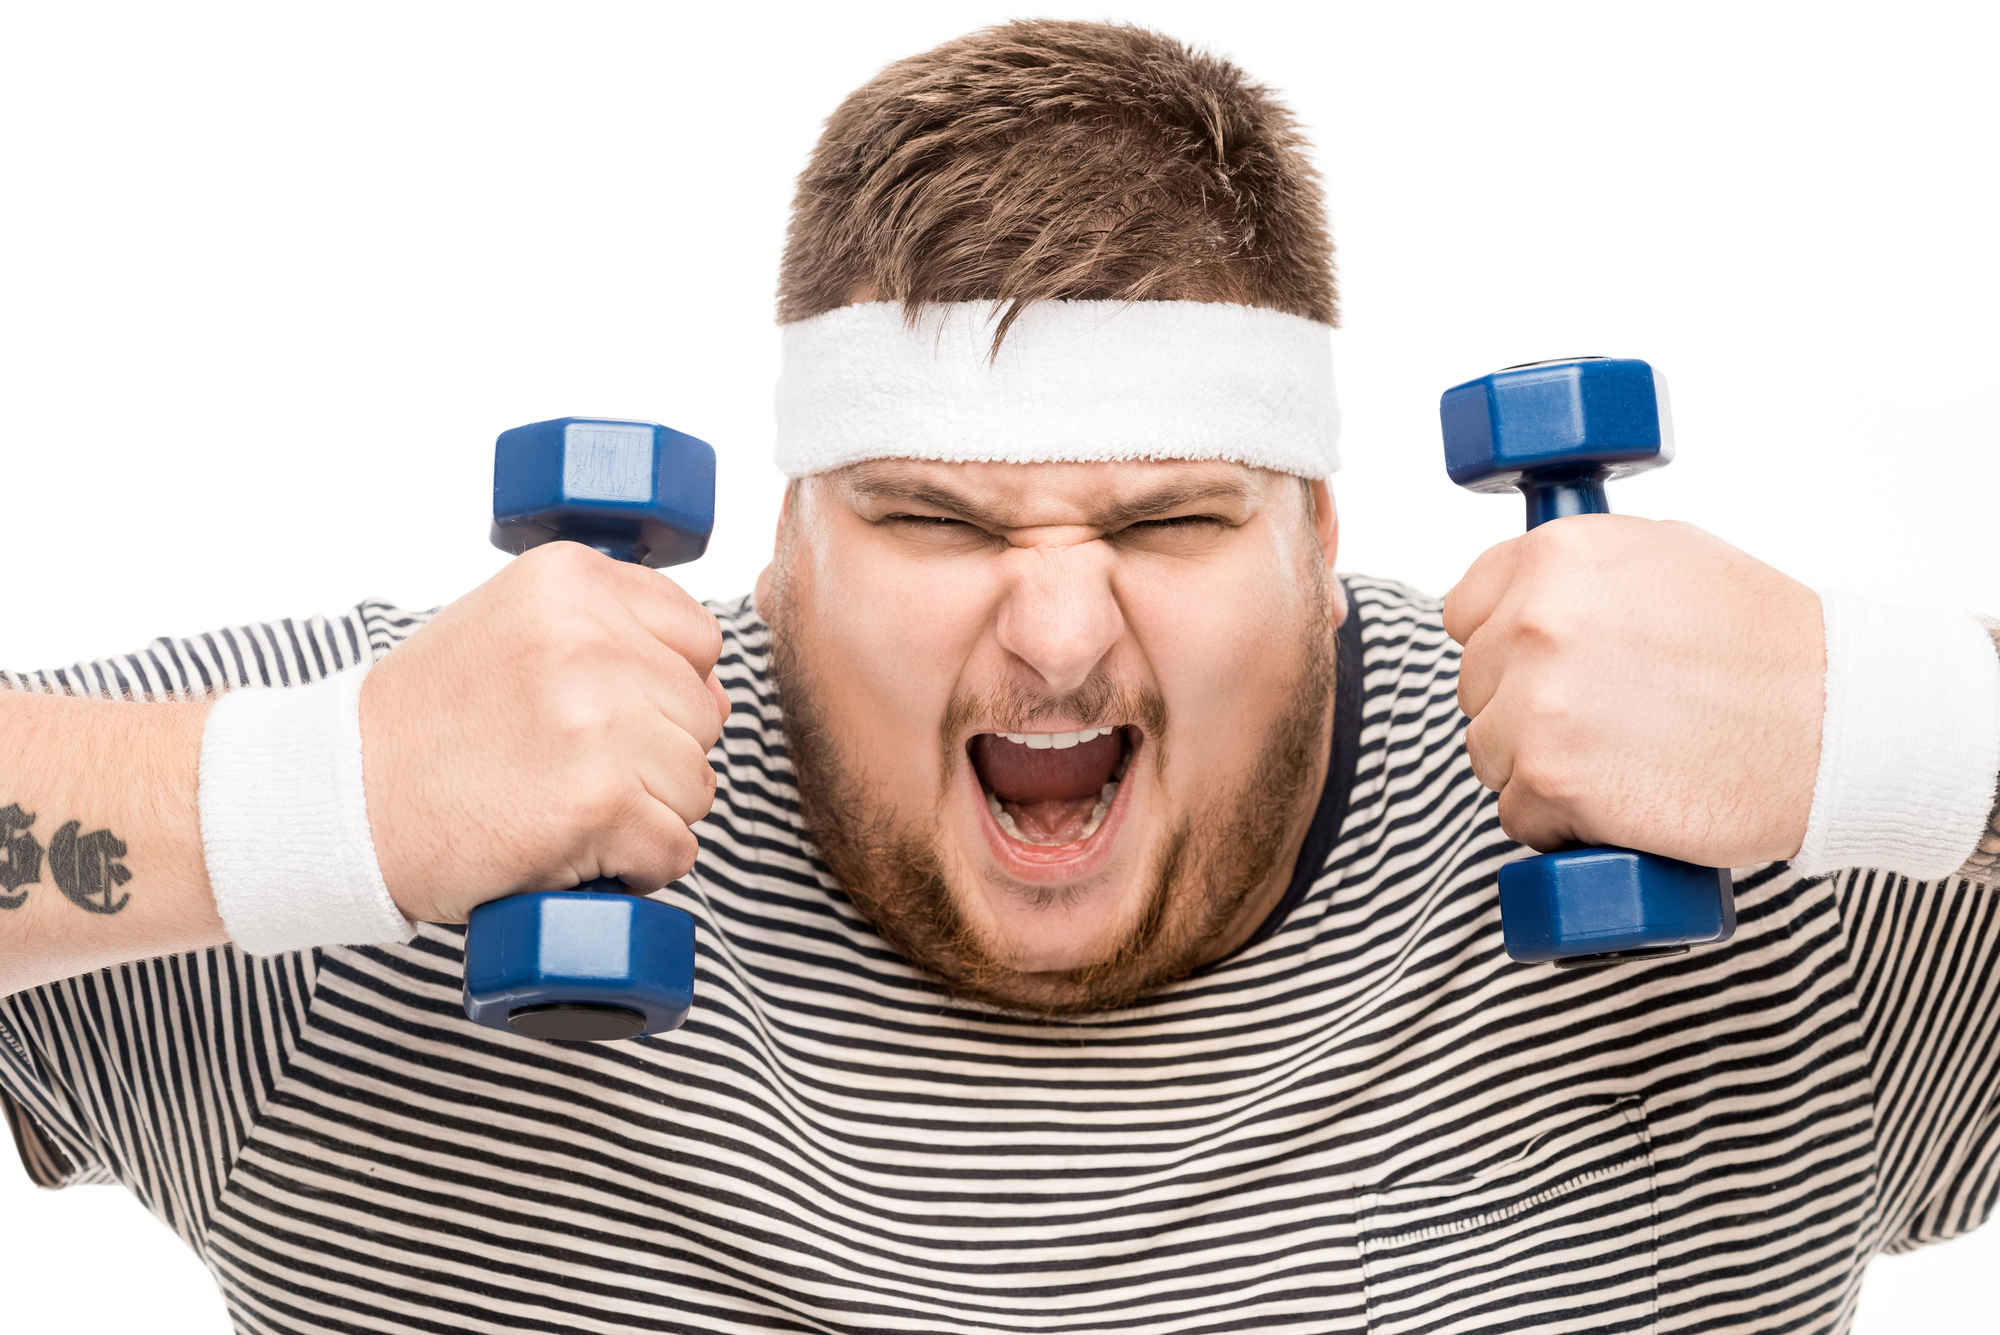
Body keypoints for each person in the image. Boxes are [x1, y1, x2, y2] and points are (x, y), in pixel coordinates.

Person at [3, 19, 1997, 1334]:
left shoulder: (1765, 871)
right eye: (936, 521)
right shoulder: (395, 825)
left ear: (1322, 539)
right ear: (783, 542)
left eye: (1170, 523)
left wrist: (1926, 734)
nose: (1053, 633)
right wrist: (287, 805)